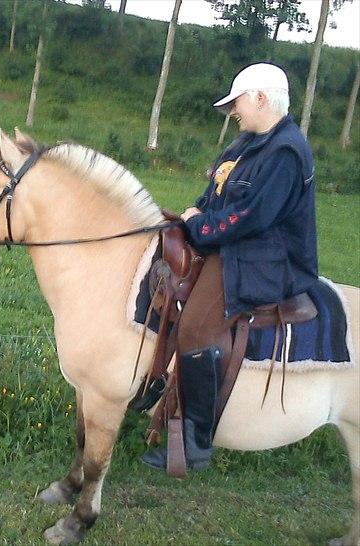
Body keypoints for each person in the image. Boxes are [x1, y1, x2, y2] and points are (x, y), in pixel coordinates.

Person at [141, 62, 318, 472]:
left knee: (196, 327)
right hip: (235, 243)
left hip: (267, 259)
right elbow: (213, 193)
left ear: (260, 97)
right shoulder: (245, 144)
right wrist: (194, 213)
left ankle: (196, 440)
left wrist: (198, 227)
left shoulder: (287, 152)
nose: (234, 111)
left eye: (237, 102)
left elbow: (252, 217)